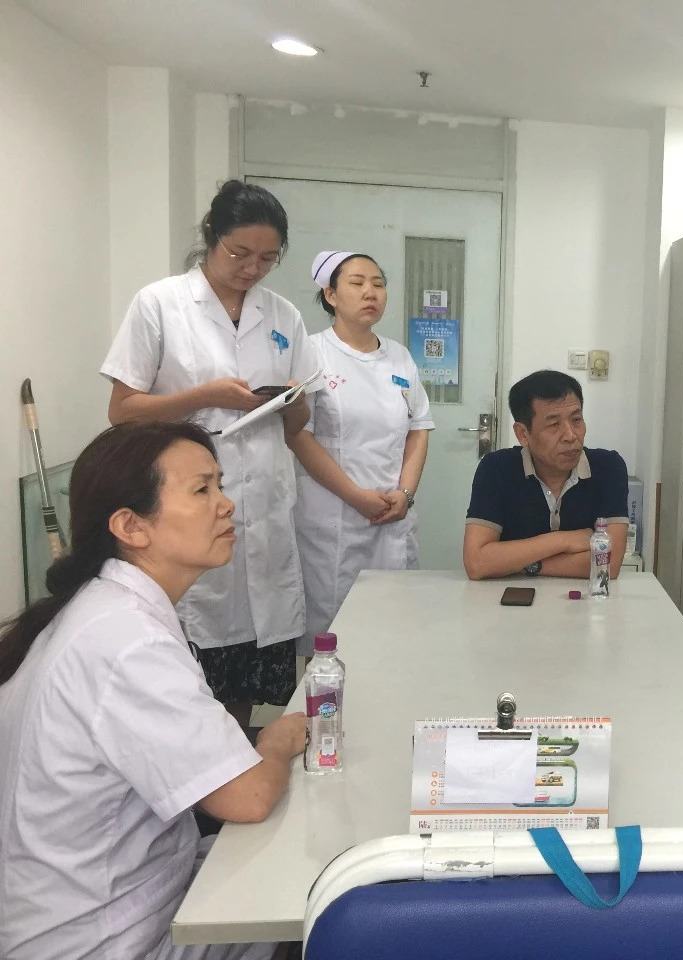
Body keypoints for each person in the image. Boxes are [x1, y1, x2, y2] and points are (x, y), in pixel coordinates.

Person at [0, 422, 305, 960]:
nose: (226, 504)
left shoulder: (107, 609)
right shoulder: (127, 641)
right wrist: (276, 743)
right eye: (202, 489)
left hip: (118, 896)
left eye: (220, 485)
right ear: (131, 526)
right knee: (319, 887)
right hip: (105, 940)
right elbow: (248, 797)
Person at [100, 180, 320, 724]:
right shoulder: (160, 303)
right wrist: (206, 396)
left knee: (246, 663)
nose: (253, 268)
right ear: (211, 236)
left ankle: (235, 759)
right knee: (188, 662)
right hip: (184, 499)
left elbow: (298, 423)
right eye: (239, 253)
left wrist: (292, 401)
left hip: (264, 504)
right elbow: (122, 409)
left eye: (268, 258)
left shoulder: (284, 315)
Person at [288, 251, 434, 646]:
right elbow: (299, 435)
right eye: (357, 283)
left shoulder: (399, 357)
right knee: (330, 636)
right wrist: (356, 497)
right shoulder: (311, 353)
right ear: (331, 295)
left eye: (378, 284)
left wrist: (405, 494)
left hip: (392, 516)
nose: (371, 292)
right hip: (333, 518)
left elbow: (419, 428)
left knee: (392, 632)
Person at [464, 370, 628, 580]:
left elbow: (608, 564)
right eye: (553, 425)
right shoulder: (496, 468)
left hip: (586, 598)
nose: (570, 435)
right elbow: (477, 563)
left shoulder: (608, 467)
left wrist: (522, 563)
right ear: (523, 434)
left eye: (576, 420)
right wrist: (564, 540)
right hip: (508, 597)